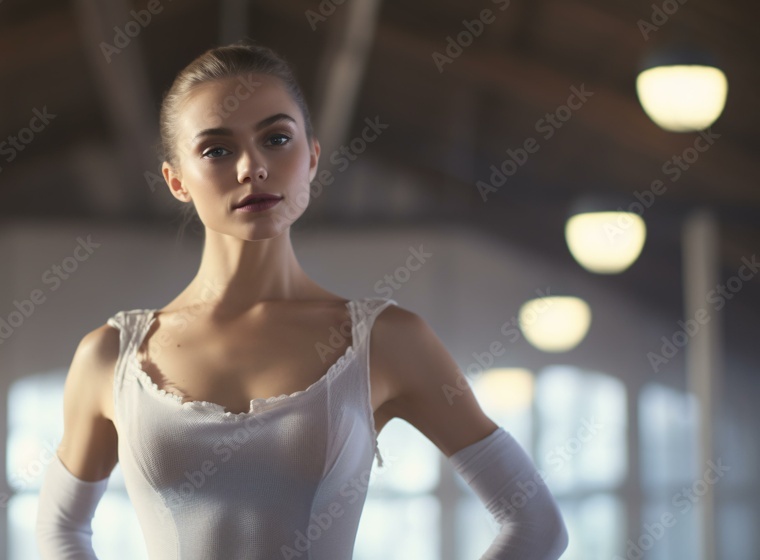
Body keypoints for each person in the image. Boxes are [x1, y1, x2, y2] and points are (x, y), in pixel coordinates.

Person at [35, 41, 568, 559]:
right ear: (177, 181)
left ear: (311, 158)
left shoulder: (388, 341)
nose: (252, 168)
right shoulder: (111, 358)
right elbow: (60, 529)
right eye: (217, 150)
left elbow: (536, 525)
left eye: (276, 139)